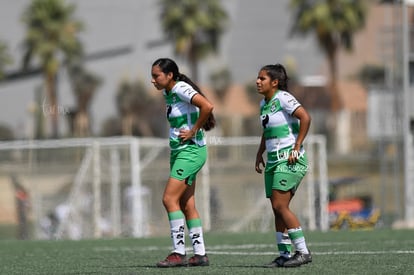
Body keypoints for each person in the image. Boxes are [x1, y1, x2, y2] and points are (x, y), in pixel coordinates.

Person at [151, 58, 215, 268]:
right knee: (187, 204)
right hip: (179, 153)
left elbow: (207, 106)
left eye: (156, 75)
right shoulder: (168, 93)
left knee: (169, 199)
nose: (152, 80)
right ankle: (200, 254)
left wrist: (194, 130)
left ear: (169, 75)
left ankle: (179, 253)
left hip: (191, 152)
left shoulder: (179, 88)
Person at [254, 63, 312, 268]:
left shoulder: (283, 98)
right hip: (273, 160)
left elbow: (305, 117)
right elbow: (266, 130)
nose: (258, 81)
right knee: (276, 209)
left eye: (262, 78)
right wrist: (260, 152)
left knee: (281, 205)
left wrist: (297, 146)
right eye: (258, 78)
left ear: (275, 82)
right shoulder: (264, 103)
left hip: (289, 158)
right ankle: (285, 255)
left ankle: (303, 252)